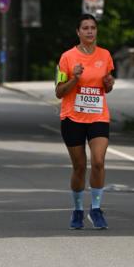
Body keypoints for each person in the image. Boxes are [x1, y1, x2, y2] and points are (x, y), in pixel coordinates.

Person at [55, 13, 115, 229]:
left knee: (98, 162)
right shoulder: (67, 58)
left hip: (98, 115)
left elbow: (106, 87)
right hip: (73, 117)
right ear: (78, 32)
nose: (90, 31)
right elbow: (59, 92)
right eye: (85, 28)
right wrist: (74, 78)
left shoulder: (105, 55)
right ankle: (78, 210)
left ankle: (96, 209)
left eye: (93, 28)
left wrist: (109, 83)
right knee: (80, 166)